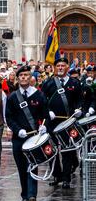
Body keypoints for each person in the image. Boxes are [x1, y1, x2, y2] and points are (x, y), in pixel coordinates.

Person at [5, 66, 48, 201]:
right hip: (19, 138)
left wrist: (43, 126)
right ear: (18, 78)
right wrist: (17, 130)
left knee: (33, 165)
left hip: (34, 137)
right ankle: (25, 195)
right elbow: (9, 118)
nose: (24, 77)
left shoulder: (39, 95)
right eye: (21, 75)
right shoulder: (12, 97)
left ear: (31, 78)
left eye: (26, 75)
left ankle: (32, 195)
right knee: (22, 167)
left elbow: (45, 115)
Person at [42, 57, 83, 189]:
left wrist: (78, 109)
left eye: (62, 65)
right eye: (58, 65)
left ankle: (66, 178)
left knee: (67, 150)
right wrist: (47, 112)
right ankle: (57, 175)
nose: (60, 67)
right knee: (51, 151)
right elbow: (42, 101)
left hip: (68, 122)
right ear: (55, 68)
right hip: (52, 122)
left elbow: (80, 100)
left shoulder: (74, 83)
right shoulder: (48, 83)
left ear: (67, 67)